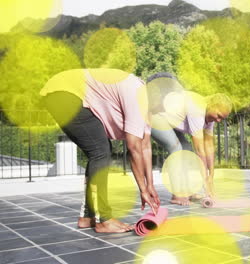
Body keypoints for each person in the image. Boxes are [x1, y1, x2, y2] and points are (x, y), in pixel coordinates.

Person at [40, 68, 160, 233]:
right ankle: (103, 220)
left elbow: (145, 146)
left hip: (64, 91)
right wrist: (143, 190)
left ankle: (88, 217)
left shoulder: (147, 107)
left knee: (99, 150)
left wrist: (150, 185)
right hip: (65, 92)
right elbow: (134, 148)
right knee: (100, 151)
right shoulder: (138, 95)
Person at [147, 73, 233, 206]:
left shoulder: (210, 116)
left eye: (222, 118)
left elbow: (208, 146)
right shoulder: (197, 108)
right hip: (156, 118)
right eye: (218, 116)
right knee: (176, 149)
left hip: (171, 123)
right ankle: (177, 195)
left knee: (186, 150)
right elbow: (200, 150)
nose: (218, 120)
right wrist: (205, 182)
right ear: (212, 105)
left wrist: (211, 176)